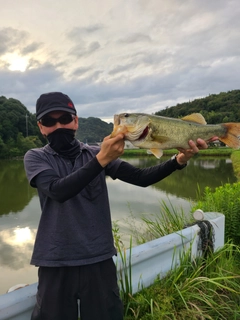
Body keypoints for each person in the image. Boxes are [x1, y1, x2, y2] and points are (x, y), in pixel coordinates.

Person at [24, 92, 208, 320]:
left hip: (98, 258)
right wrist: (102, 159)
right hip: (55, 259)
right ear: (41, 127)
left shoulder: (94, 153)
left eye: (65, 118)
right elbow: (57, 190)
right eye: (50, 122)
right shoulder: (35, 157)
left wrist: (178, 160)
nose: (59, 125)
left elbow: (141, 177)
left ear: (76, 121)